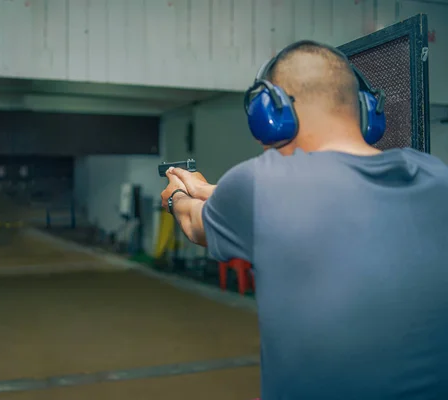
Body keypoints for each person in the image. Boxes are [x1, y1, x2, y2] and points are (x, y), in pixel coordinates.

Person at [161, 40, 448, 399]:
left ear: (270, 112)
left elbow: (192, 222)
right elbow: (316, 194)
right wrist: (208, 188)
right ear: (365, 109)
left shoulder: (258, 184)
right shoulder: (436, 176)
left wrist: (176, 195)